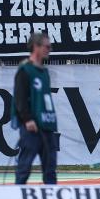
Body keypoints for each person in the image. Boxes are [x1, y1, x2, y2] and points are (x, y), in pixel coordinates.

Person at [12, 33, 58, 184]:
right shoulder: (25, 69)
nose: (49, 49)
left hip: (47, 125)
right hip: (31, 128)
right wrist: (28, 119)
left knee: (50, 169)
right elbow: (19, 98)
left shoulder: (44, 71)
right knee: (24, 167)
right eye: (47, 46)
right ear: (36, 47)